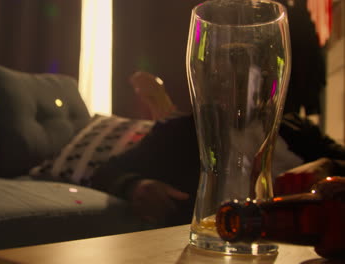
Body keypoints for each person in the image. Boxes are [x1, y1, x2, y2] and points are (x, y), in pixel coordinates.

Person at [89, 72, 345, 227]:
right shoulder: (179, 133)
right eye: (229, 71)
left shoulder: (295, 127)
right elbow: (105, 172)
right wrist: (136, 185)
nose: (240, 82)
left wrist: (327, 165)